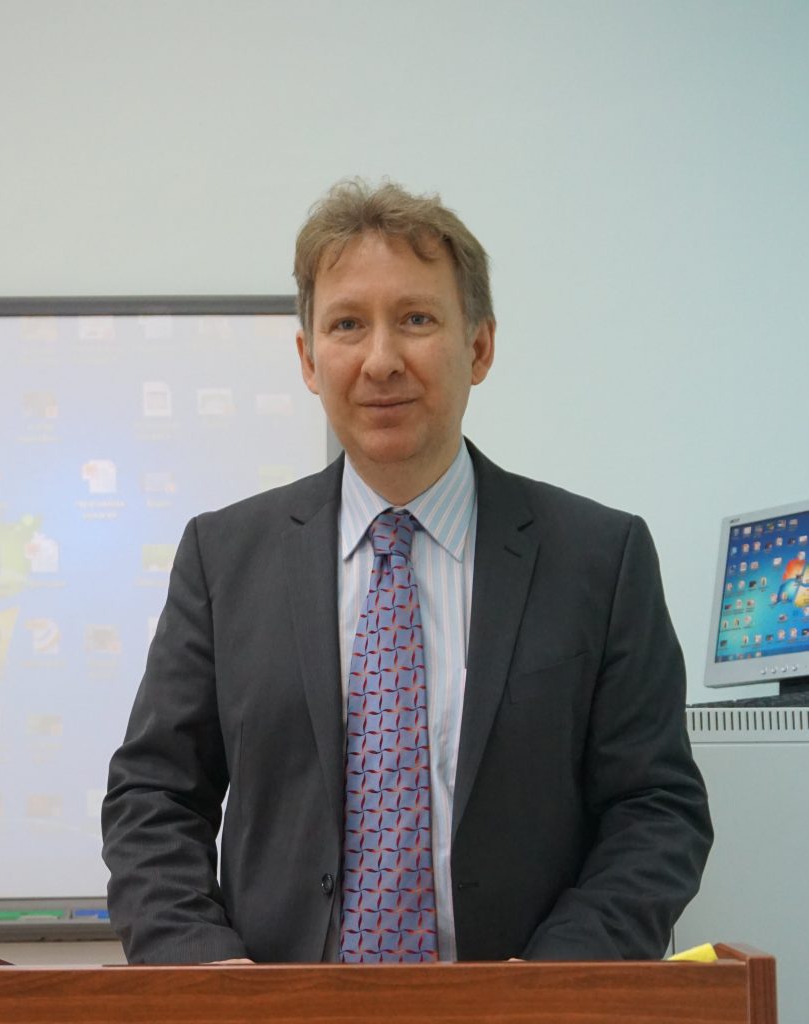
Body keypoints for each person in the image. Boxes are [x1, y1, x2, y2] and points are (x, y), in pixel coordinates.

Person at [102, 179, 712, 965]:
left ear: (479, 347)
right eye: (347, 324)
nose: (381, 360)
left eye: (417, 319)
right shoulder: (223, 559)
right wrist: (209, 974)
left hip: (519, 1011)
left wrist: (555, 983)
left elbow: (656, 808)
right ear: (309, 359)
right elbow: (153, 797)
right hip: (279, 1014)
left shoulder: (601, 558)